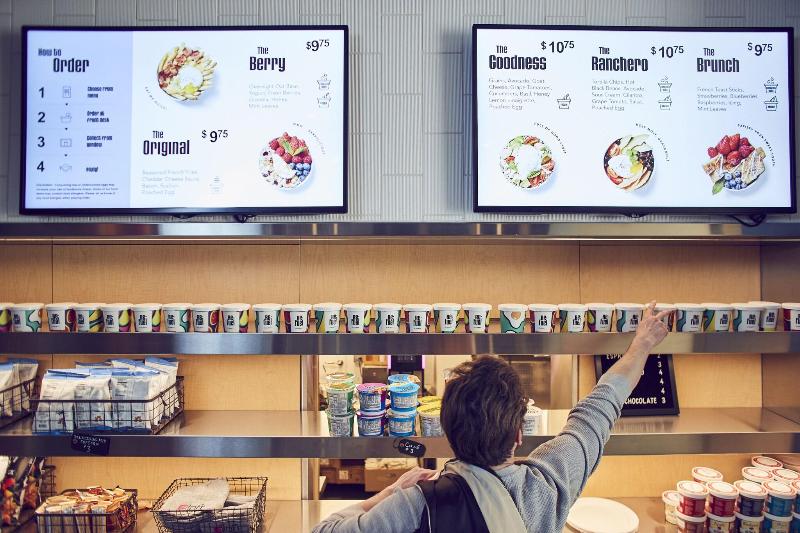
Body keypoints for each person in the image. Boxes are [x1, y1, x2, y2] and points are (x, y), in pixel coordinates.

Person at [313, 302, 671, 533]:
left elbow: (324, 531)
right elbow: (599, 408)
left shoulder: (414, 502)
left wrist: (389, 491)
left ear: (449, 432)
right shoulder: (547, 485)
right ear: (518, 434)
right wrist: (642, 344)